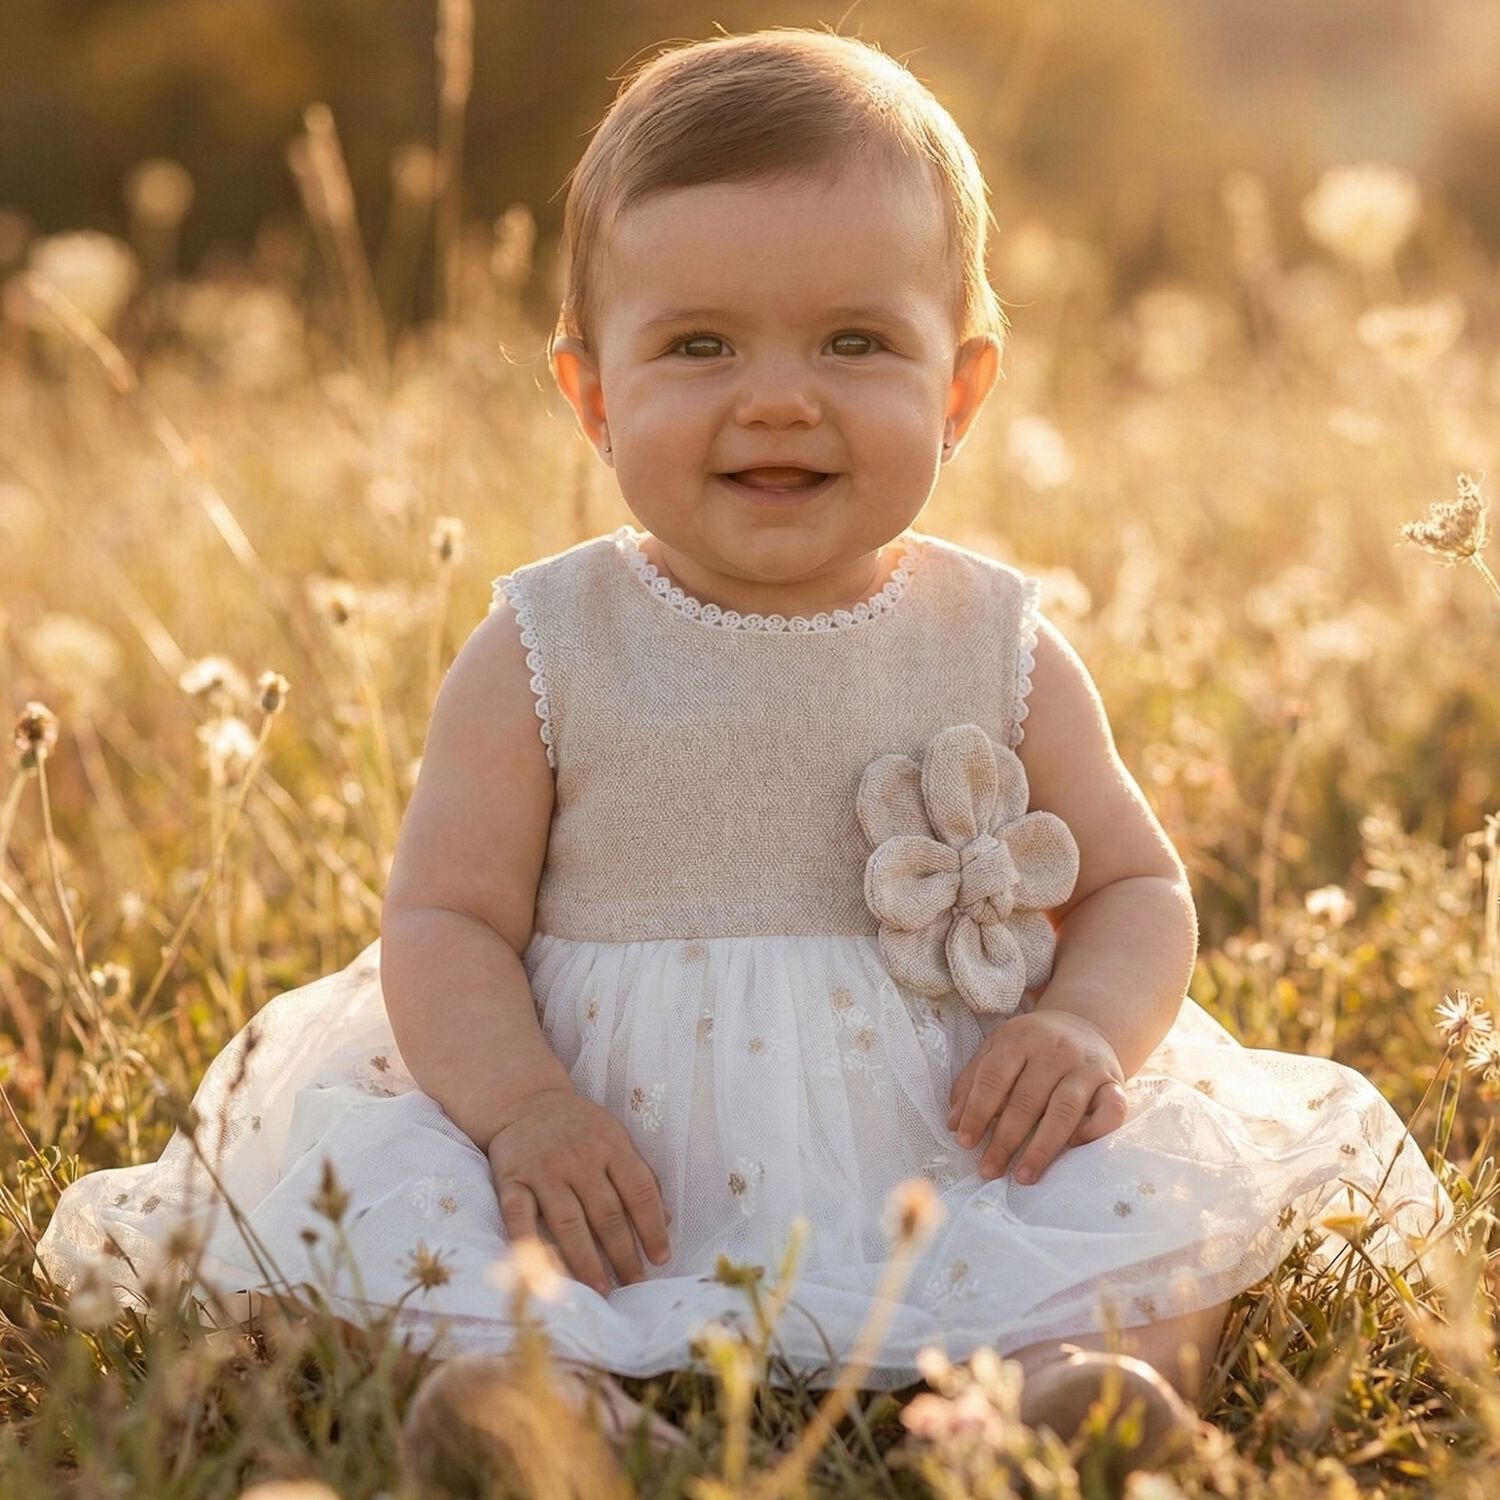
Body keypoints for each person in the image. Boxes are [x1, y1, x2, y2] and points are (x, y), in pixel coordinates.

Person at [36, 26, 1454, 1472]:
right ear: (593, 395)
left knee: (1147, 1215)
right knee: (402, 1229)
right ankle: (548, 1418)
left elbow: (1136, 887)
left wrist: (1083, 1030)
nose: (779, 396)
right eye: (699, 345)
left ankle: (1046, 1404)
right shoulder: (546, 644)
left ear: (959, 393)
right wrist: (524, 1111)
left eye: (856, 342)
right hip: (610, 1151)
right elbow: (447, 916)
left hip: (951, 1135)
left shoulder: (996, 639)